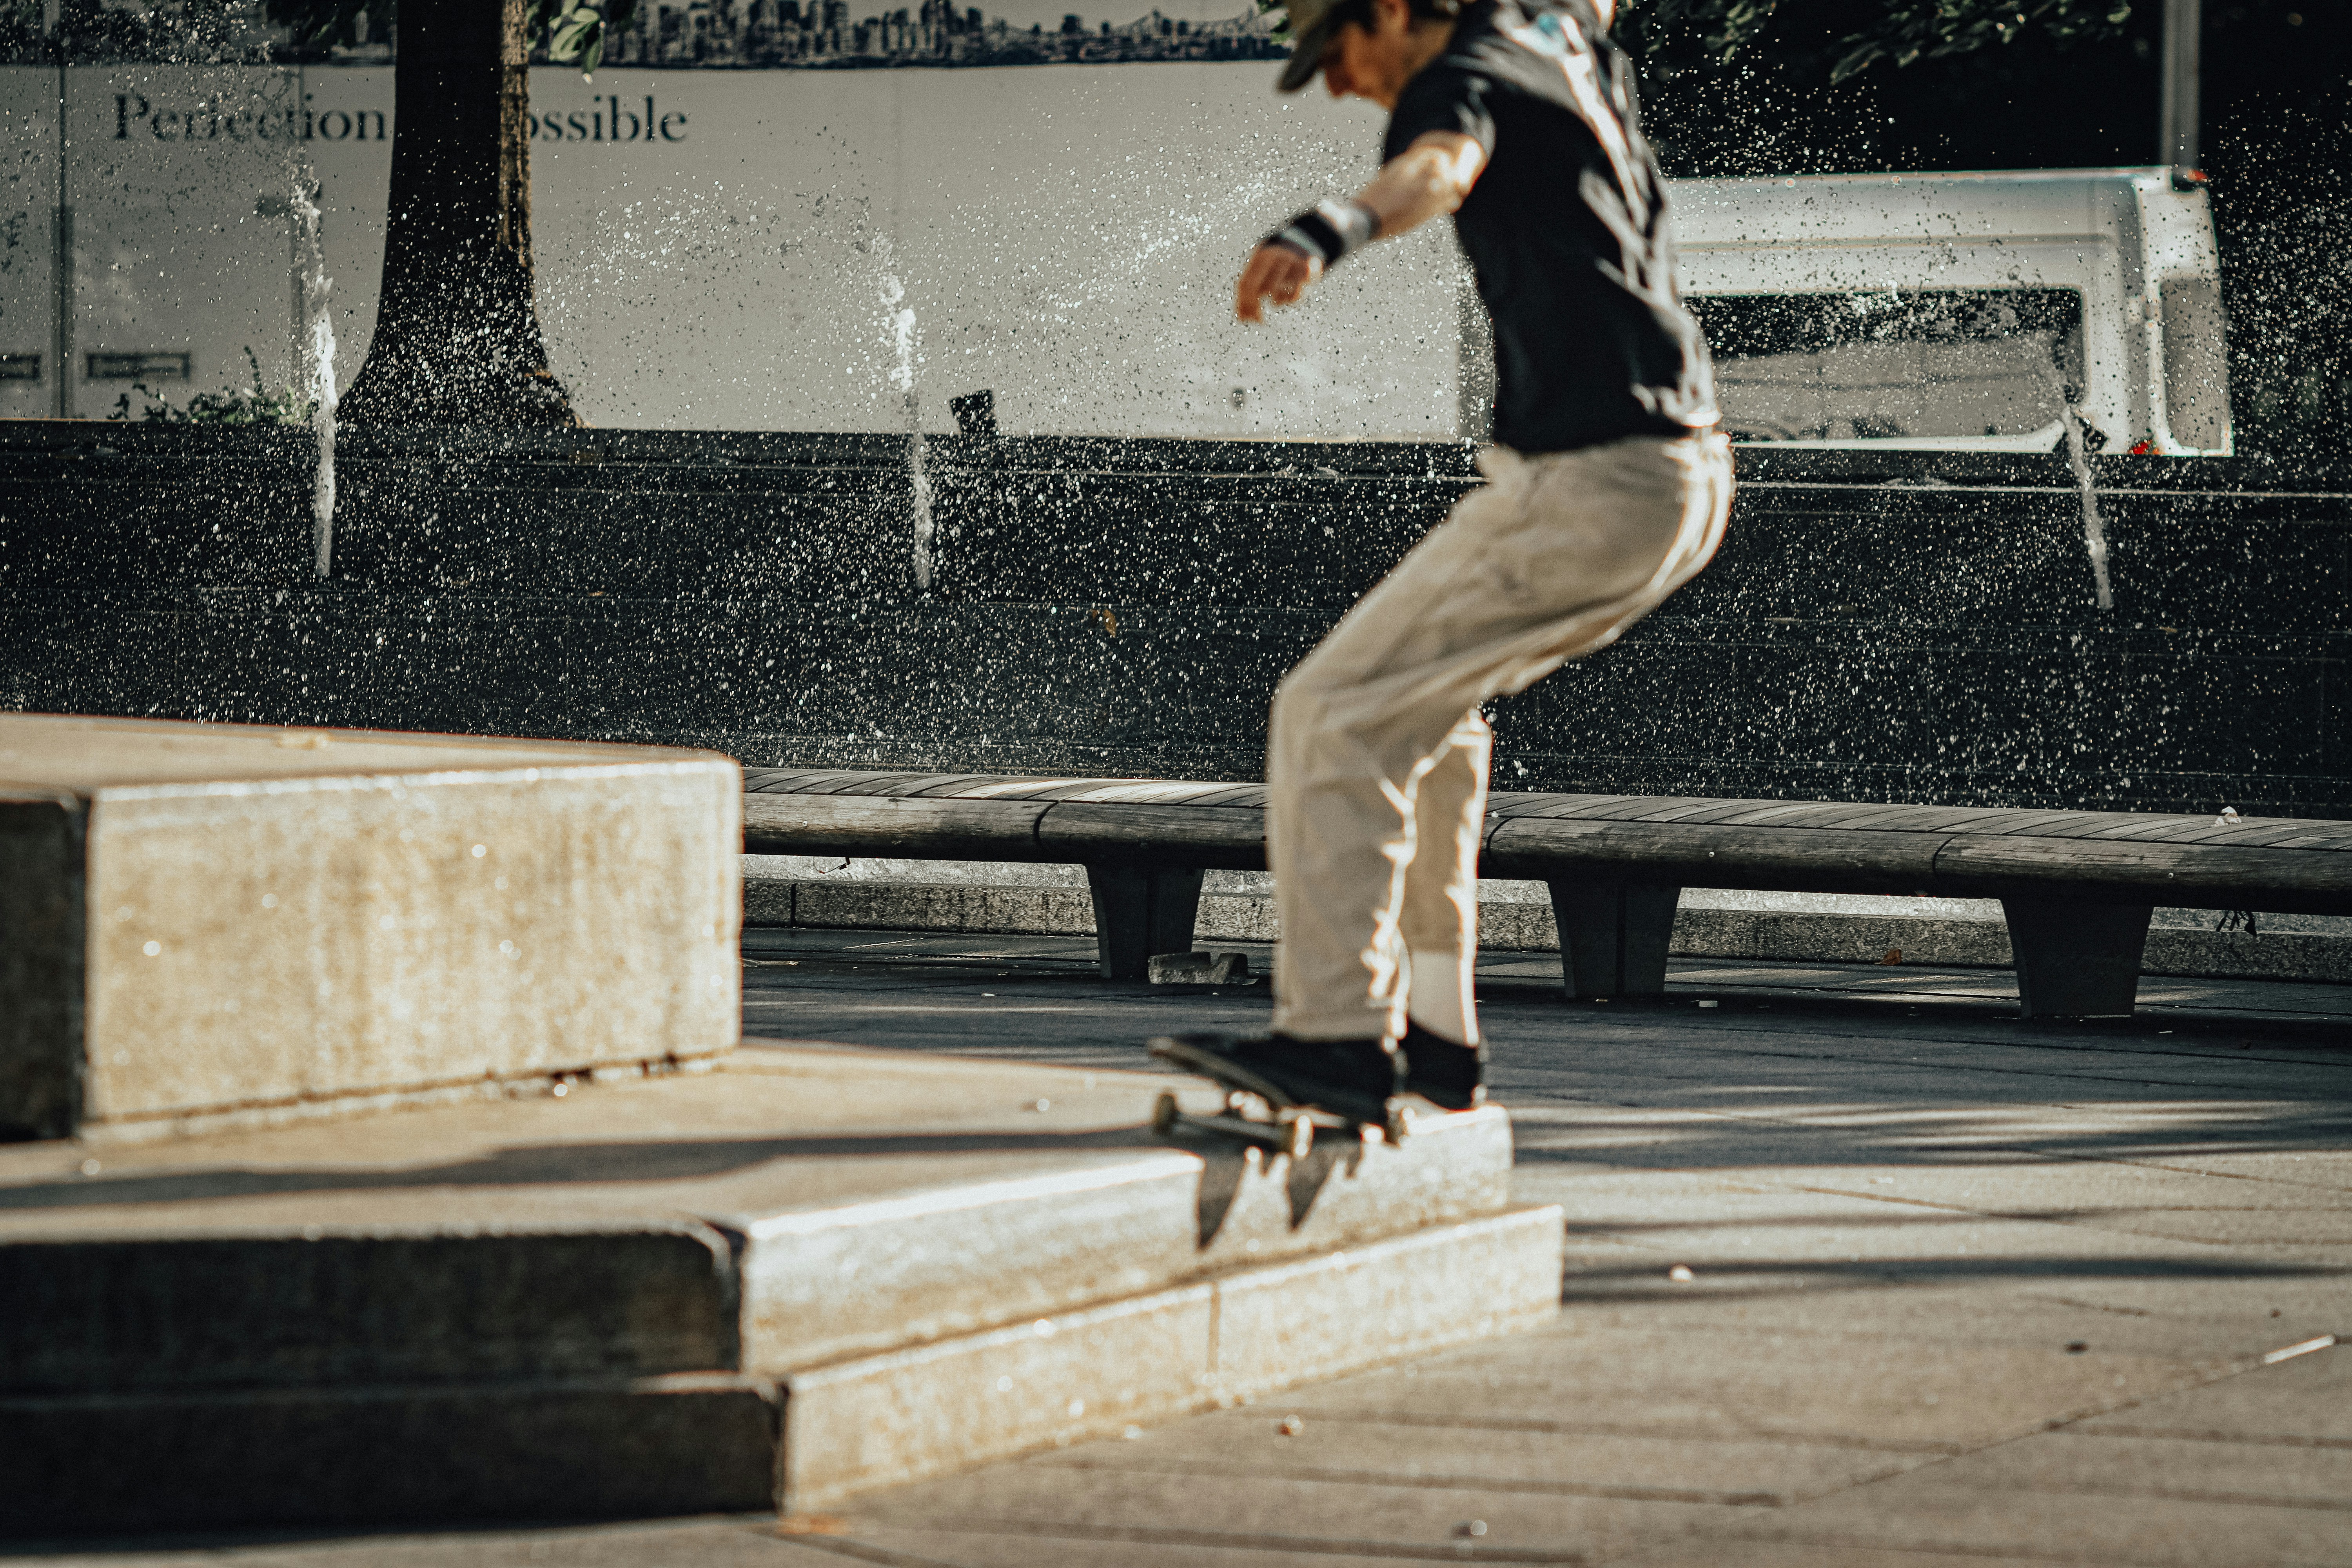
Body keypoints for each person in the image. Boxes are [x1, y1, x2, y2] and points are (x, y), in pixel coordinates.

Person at [1151, 0, 1730, 1129]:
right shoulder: (1556, 33)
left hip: (1593, 481)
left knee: (1331, 712)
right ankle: (1438, 1034)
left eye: (1339, 52)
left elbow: (1441, 168)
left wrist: (1330, 227)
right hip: (1683, 473)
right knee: (1428, 721)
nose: (1337, 85)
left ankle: (1335, 1040)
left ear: (1394, 10)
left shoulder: (1459, 73)